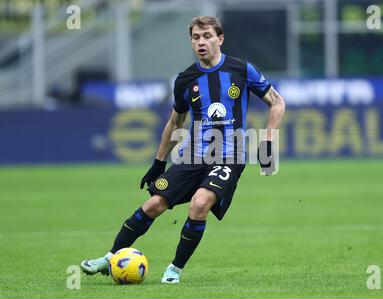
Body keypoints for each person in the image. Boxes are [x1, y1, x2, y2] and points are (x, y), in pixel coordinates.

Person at [80, 16, 285, 283]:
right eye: (196, 37)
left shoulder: (242, 69)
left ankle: (174, 270)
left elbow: (277, 102)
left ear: (219, 39)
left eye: (207, 36)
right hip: (193, 156)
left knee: (200, 203)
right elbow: (175, 122)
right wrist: (158, 162)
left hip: (229, 157)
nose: (201, 42)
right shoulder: (185, 80)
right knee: (153, 204)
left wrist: (268, 142)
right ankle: (110, 258)